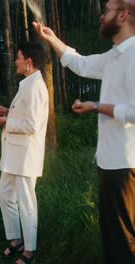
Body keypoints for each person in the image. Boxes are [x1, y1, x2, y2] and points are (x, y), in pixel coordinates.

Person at [34, 0, 135, 262]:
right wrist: (53, 39)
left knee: (124, 244)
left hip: (126, 167)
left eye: (107, 10)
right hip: (110, 164)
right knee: (113, 240)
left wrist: (96, 106)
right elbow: (81, 64)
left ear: (123, 15)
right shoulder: (115, 55)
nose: (102, 16)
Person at [0, 42, 48, 264]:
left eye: (18, 57)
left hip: (26, 157)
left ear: (28, 61)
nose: (15, 61)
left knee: (27, 203)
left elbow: (33, 125)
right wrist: (9, 111)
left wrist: (7, 120)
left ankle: (30, 251)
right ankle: (16, 240)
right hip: (13, 156)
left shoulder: (36, 86)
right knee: (4, 195)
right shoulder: (27, 83)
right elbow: (24, 115)